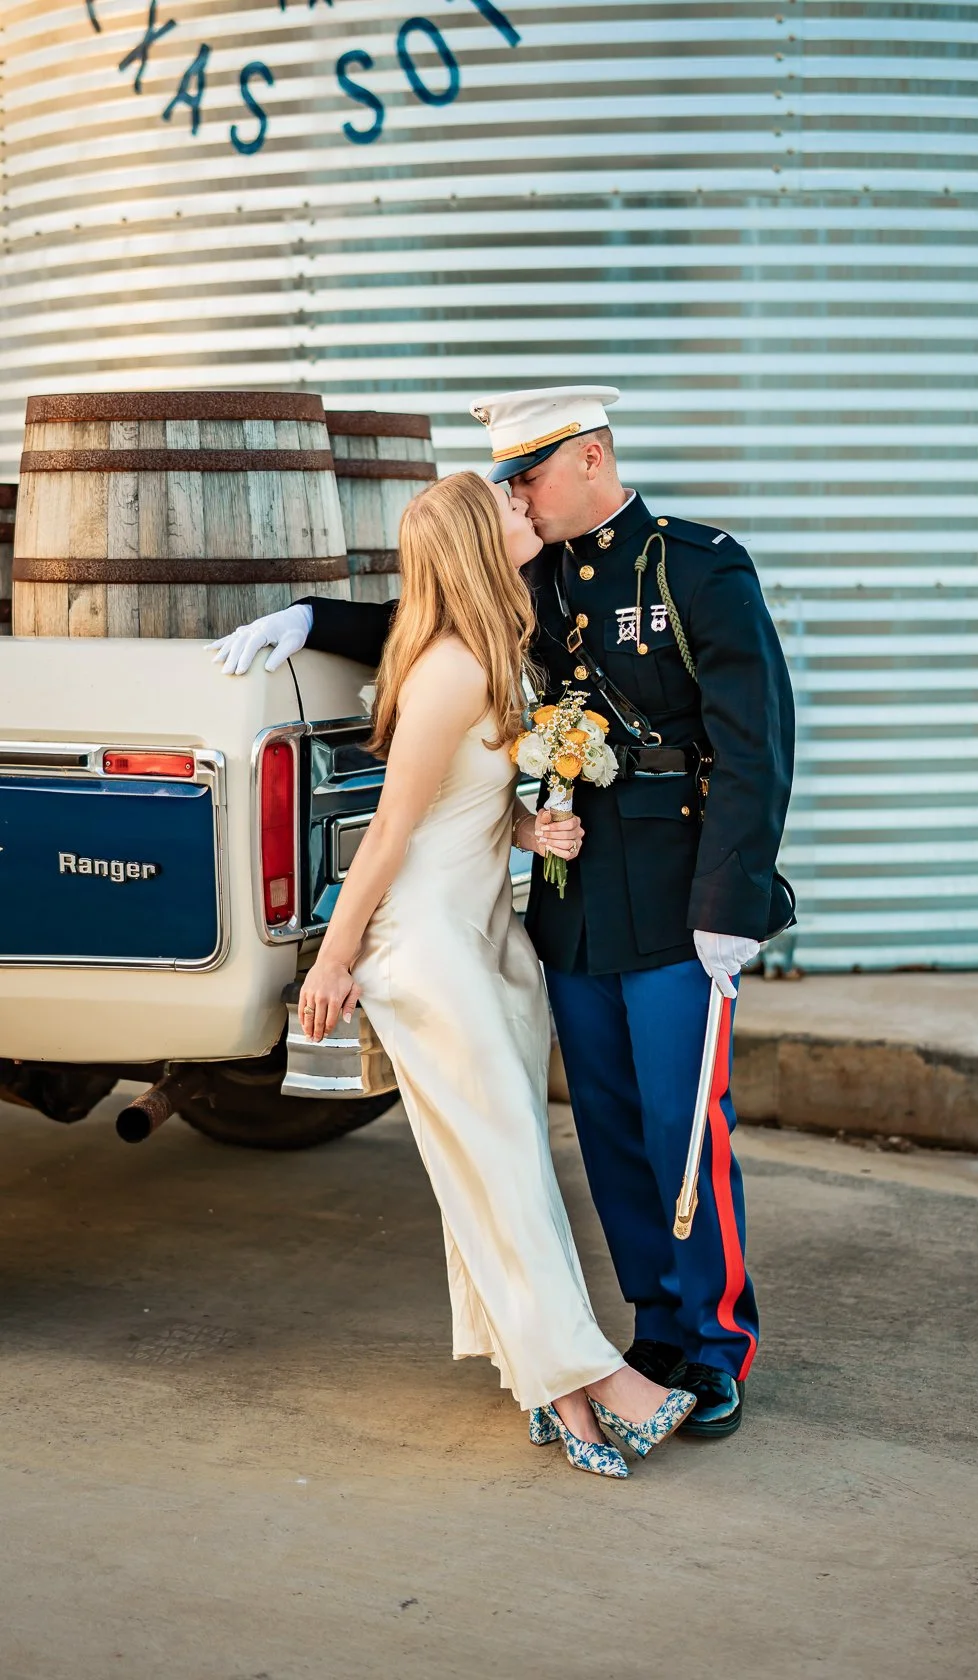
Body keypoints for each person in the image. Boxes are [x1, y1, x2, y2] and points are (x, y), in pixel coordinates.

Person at [212, 385, 795, 1441]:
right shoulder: (539, 576)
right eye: (510, 482)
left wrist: (732, 904)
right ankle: (653, 1329)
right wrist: (312, 620)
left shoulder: (696, 565)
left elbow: (754, 744)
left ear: (589, 458)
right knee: (612, 1131)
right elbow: (434, 618)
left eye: (529, 475)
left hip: (676, 899)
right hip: (572, 907)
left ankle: (715, 1347)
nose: (517, 494)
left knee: (683, 1126)